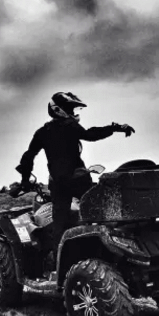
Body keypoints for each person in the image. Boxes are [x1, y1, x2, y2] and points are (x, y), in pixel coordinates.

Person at [15, 92, 135, 269]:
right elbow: (91, 134)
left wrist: (25, 179)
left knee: (60, 224)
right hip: (78, 180)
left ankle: (59, 266)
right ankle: (114, 251)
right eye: (71, 109)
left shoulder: (42, 132)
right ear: (59, 110)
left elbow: (28, 156)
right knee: (100, 213)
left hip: (58, 184)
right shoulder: (70, 126)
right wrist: (115, 128)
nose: (73, 112)